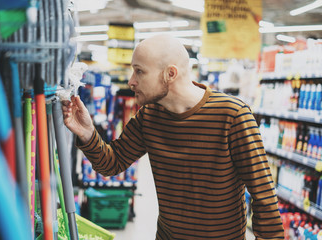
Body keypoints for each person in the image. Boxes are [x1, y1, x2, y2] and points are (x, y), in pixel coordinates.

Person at [62, 34, 284, 239]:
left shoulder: (232, 115)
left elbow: (264, 197)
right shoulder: (149, 116)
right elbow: (111, 163)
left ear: (170, 74)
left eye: (139, 71)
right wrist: (88, 133)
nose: (131, 81)